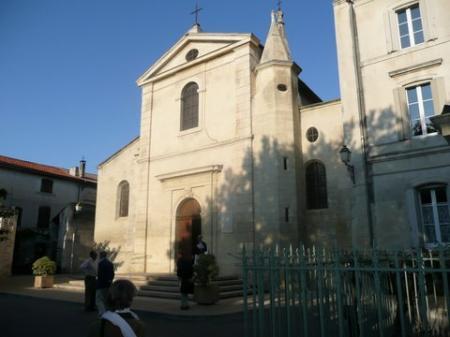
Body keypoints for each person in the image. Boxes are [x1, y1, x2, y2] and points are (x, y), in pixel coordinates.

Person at [96, 250, 115, 316]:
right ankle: (107, 312)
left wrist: (99, 281)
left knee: (98, 299)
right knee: (105, 298)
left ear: (101, 256)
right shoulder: (110, 263)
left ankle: (102, 312)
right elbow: (112, 274)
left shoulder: (100, 263)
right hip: (108, 284)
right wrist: (110, 280)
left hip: (101, 284)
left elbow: (100, 274)